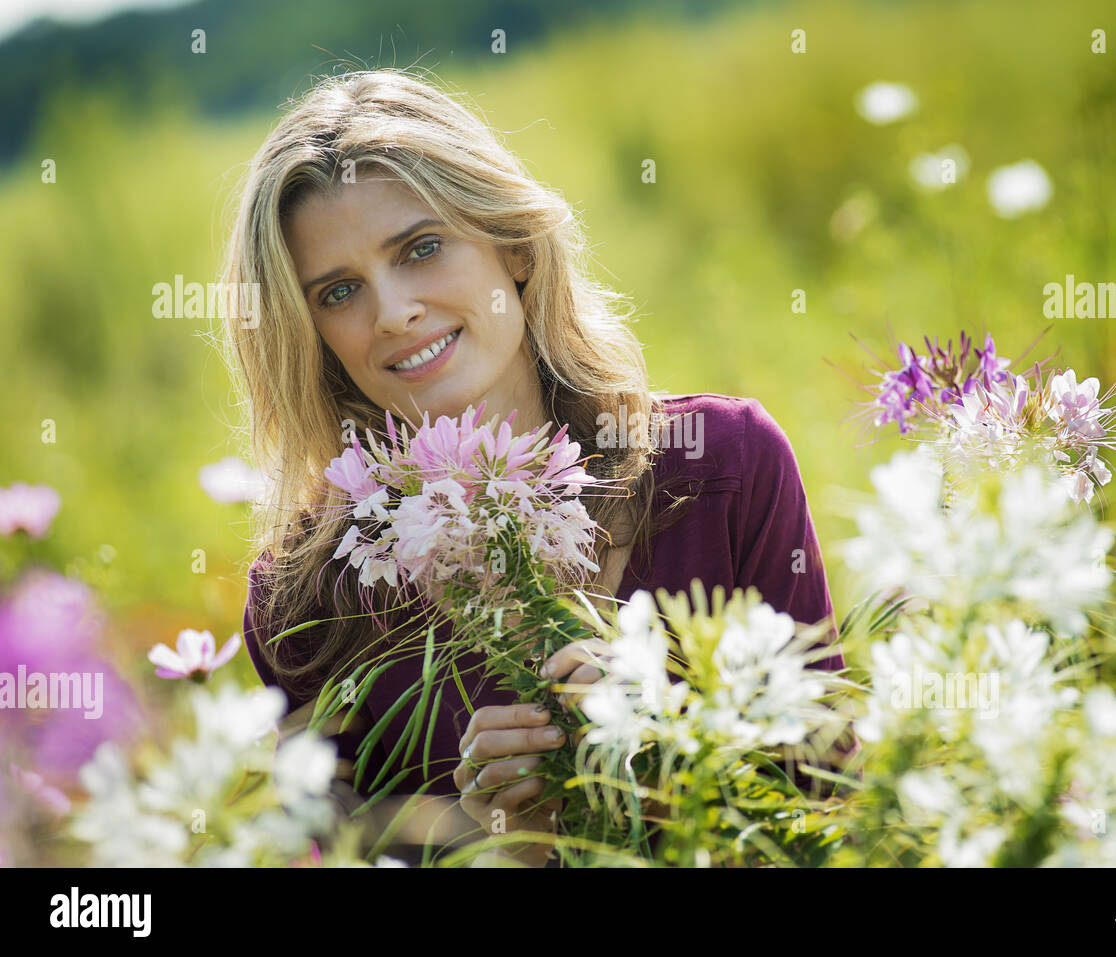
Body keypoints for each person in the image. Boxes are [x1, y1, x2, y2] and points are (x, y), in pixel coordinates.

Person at [220, 68, 850, 867]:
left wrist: (663, 759)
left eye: (420, 247)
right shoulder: (304, 605)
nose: (391, 313)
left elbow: (830, 814)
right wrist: (489, 848)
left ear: (511, 244)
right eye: (339, 291)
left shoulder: (724, 466)